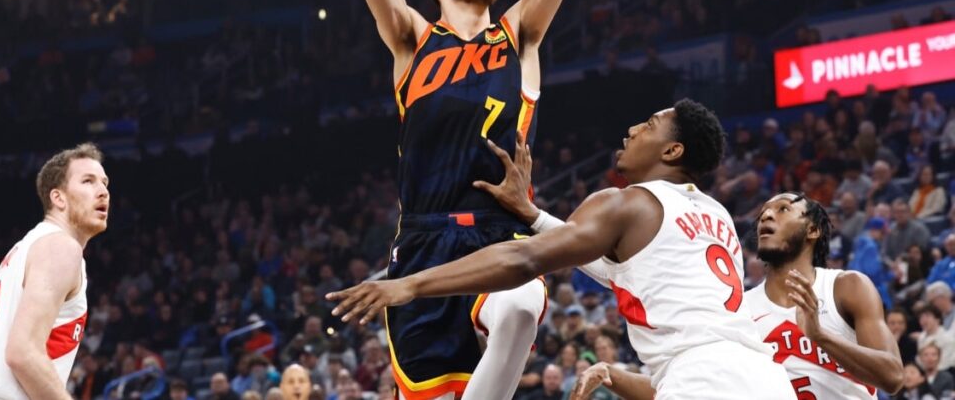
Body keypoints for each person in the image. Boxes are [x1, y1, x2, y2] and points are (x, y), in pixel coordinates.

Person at [328, 100, 795, 399]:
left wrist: (411, 284)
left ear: (672, 152)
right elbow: (618, 272)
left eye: (650, 124)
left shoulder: (626, 202)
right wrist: (531, 214)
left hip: (701, 380)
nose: (632, 128)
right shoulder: (716, 218)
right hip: (768, 380)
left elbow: (523, 260)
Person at [347, 0, 578, 400]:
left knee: (523, 303)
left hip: (501, 233)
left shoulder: (517, 36)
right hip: (422, 243)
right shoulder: (413, 42)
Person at [0, 144, 109, 400]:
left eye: (105, 183)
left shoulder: (28, 246)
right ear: (58, 198)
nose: (103, 192)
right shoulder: (61, 247)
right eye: (88, 181)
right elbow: (22, 352)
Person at [746, 193, 903, 397]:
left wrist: (820, 336)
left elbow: (893, 377)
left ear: (812, 230)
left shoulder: (846, 287)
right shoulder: (743, 307)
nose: (766, 215)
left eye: (783, 209)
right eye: (762, 214)